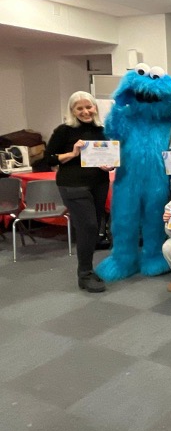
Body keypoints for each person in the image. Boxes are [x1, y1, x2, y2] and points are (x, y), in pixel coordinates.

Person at [45, 91, 113, 293]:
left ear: (95, 107)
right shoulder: (64, 131)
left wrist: (109, 165)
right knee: (88, 227)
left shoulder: (102, 130)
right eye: (80, 108)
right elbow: (47, 159)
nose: (85, 111)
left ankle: (88, 268)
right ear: (72, 111)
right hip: (73, 185)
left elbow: (109, 156)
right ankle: (84, 274)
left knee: (95, 226)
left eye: (88, 107)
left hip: (99, 184)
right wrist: (72, 153)